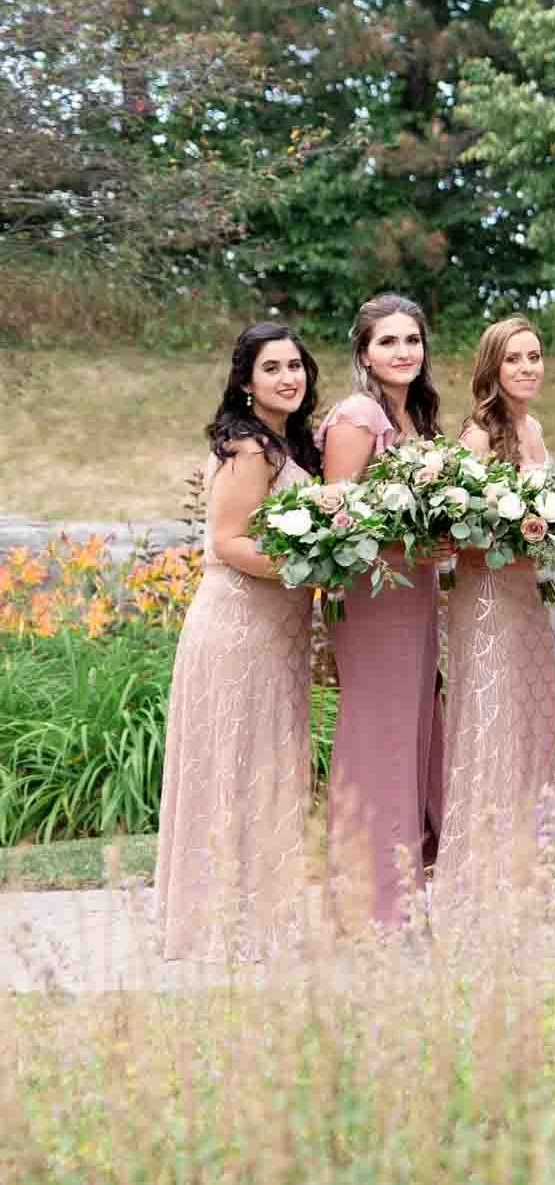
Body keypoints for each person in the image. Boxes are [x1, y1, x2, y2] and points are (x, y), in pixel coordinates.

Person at [156, 324, 321, 959]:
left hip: (277, 629)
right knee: (234, 764)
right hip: (238, 627)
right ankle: (221, 923)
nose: (288, 377)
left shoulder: (284, 444)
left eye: (296, 366)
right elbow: (229, 544)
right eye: (272, 367)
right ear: (246, 382)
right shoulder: (248, 448)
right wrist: (313, 567)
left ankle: (257, 915)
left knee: (264, 766)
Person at [318, 292, 449, 929]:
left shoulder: (416, 416)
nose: (403, 352)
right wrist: (420, 540)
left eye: (412, 340)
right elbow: (340, 515)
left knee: (413, 731)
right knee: (379, 732)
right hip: (372, 592)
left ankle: (401, 885)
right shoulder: (358, 414)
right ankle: (366, 896)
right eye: (388, 341)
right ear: (364, 353)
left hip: (415, 589)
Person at [437, 315, 555, 903]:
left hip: (526, 594)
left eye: (534, 356)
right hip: (484, 597)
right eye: (514, 359)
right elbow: (462, 535)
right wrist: (522, 529)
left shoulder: (534, 429)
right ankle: (476, 883)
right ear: (492, 368)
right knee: (487, 729)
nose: (527, 368)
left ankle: (522, 875)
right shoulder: (477, 437)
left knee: (527, 725)